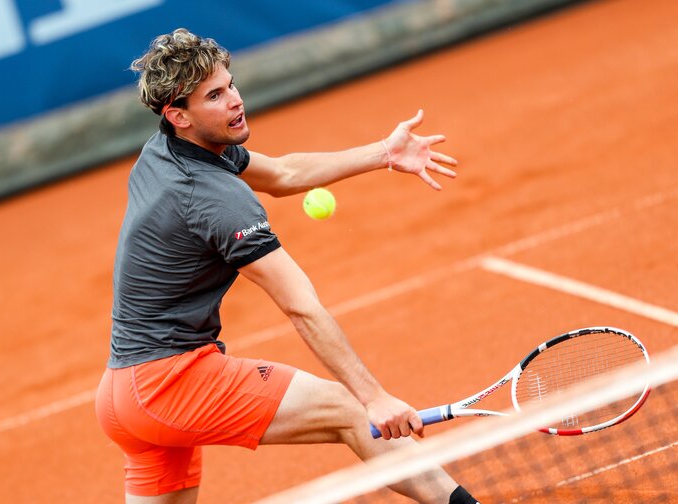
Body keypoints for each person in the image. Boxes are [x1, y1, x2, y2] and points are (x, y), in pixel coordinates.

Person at [95, 28, 479, 504]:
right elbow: (301, 306)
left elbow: (283, 173)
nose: (235, 100)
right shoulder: (216, 199)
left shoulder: (165, 151)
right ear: (179, 115)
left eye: (230, 84)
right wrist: (374, 397)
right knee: (347, 409)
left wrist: (384, 153)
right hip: (169, 385)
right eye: (214, 96)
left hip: (123, 395)